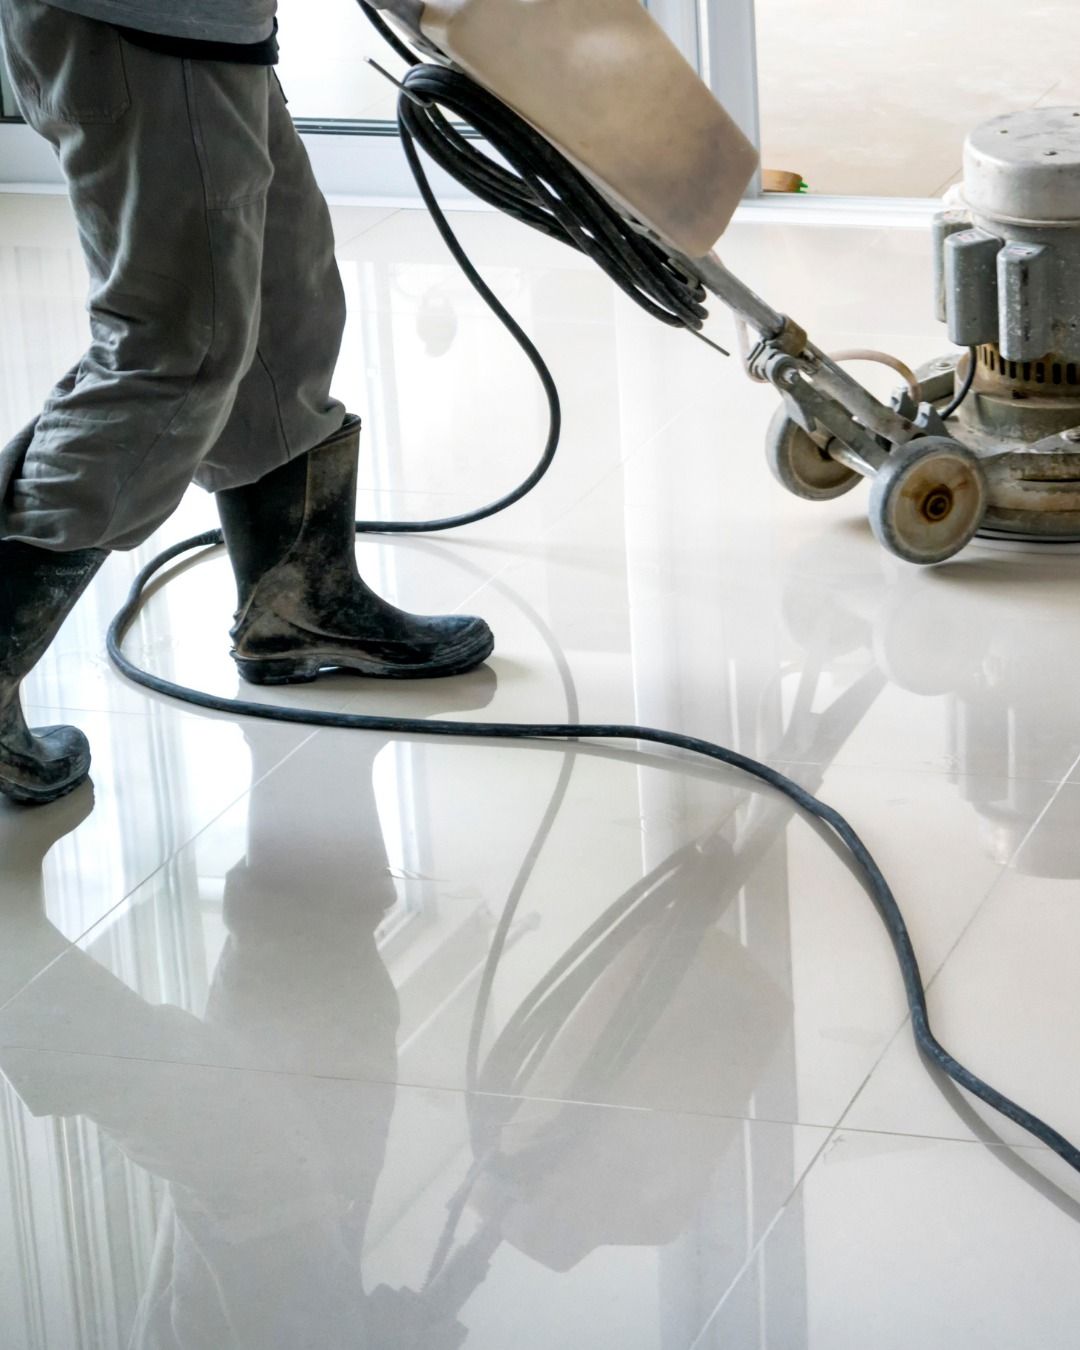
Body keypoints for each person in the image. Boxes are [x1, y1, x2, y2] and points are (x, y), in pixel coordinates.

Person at [0, 0, 494, 807]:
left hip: (208, 26)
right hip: (142, 25)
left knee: (285, 307)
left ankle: (299, 603)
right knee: (175, 351)